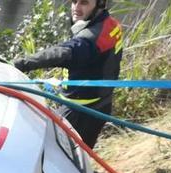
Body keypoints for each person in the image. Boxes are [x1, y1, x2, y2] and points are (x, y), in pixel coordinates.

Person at [12, 0, 123, 148]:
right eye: (74, 1)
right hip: (100, 104)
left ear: (99, 5)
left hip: (79, 112)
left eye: (84, 3)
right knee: (79, 156)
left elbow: (61, 53)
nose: (76, 8)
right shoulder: (110, 24)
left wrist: (18, 64)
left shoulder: (89, 40)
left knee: (47, 150)